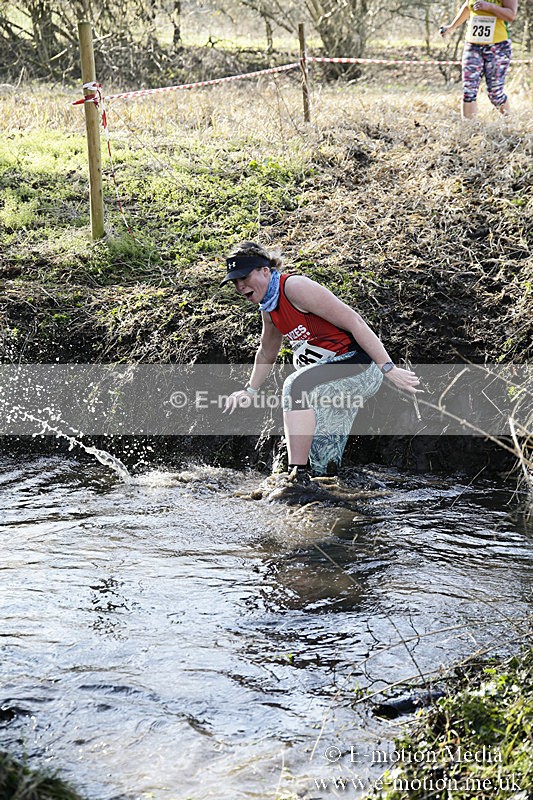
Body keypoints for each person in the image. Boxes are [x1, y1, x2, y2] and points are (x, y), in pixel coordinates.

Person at [221, 241, 420, 479]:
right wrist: (250, 391)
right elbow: (266, 353)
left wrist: (388, 368)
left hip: (359, 367)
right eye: (235, 281)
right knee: (324, 463)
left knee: (296, 385)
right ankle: (328, 489)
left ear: (265, 270)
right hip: (326, 381)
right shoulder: (268, 308)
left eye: (244, 277)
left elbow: (355, 321)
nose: (240, 286)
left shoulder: (295, 287)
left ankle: (297, 475)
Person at [440, 0, 517, 119]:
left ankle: (510, 123)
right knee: (468, 90)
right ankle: (470, 130)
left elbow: (511, 15)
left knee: (495, 93)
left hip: (498, 47)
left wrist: (490, 7)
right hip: (473, 45)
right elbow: (467, 7)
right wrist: (452, 27)